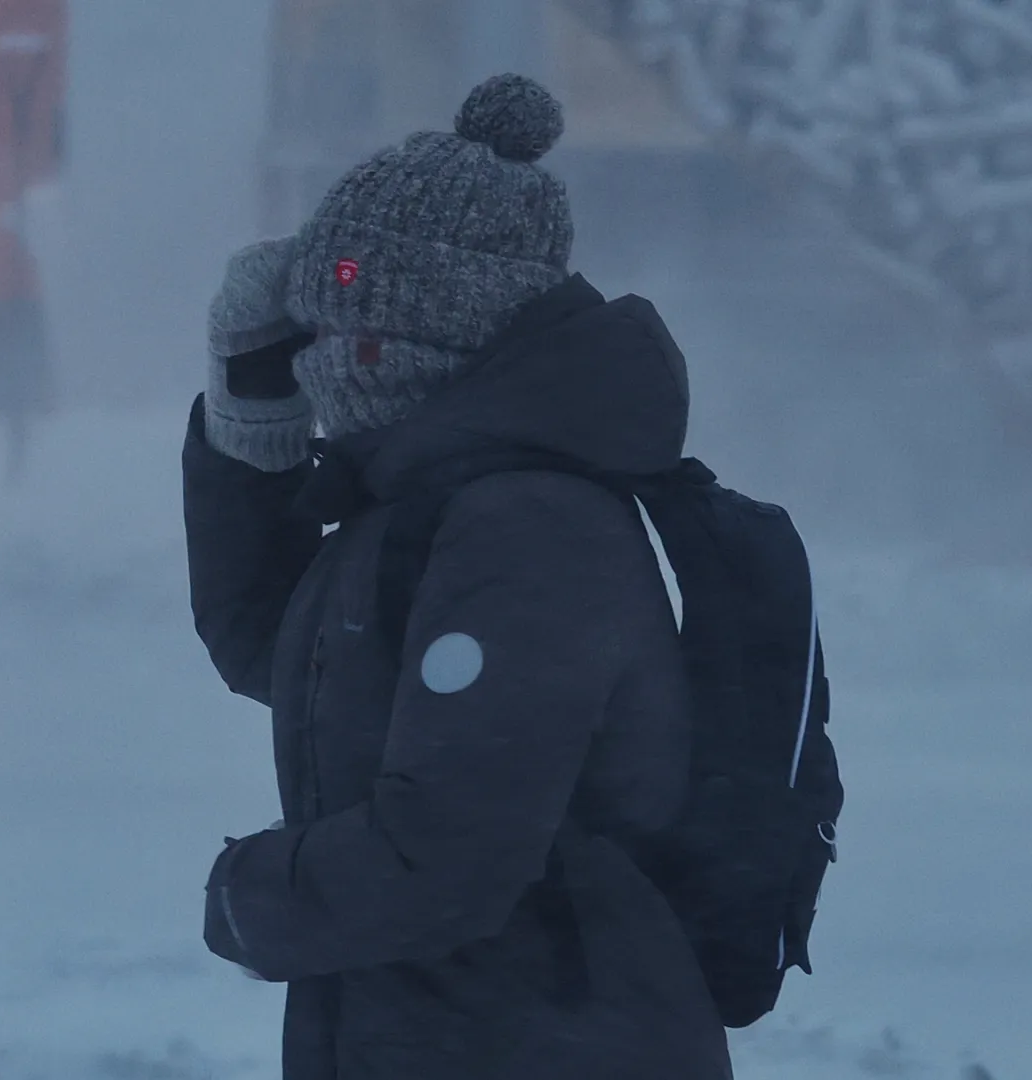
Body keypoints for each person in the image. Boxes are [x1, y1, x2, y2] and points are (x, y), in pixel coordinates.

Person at [180, 74, 735, 1079]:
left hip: (540, 1044)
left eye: (328, 331)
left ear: (412, 332)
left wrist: (247, 894)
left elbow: (444, 859)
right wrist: (250, 401)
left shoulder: (526, 528)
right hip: (456, 1034)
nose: (320, 363)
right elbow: (277, 644)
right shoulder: (435, 506)